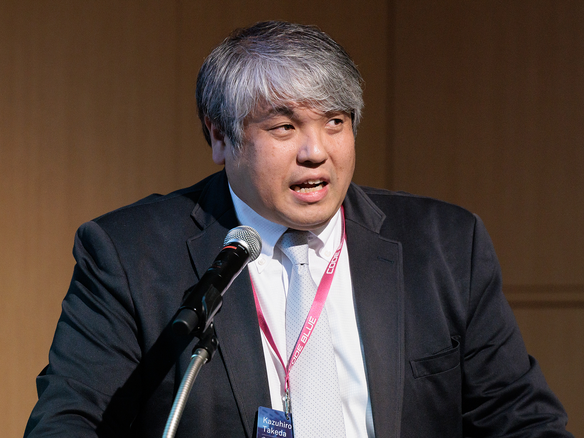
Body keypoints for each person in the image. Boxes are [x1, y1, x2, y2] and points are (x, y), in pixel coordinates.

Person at [24, 21, 572, 438]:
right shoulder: (130, 254)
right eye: (284, 127)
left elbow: (520, 419)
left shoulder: (444, 244)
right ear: (219, 136)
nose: (316, 151)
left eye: (335, 122)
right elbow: (68, 421)